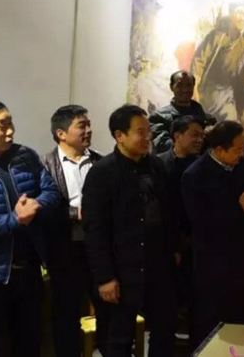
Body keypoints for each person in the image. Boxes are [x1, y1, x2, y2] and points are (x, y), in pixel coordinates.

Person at [82, 105, 177, 357]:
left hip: (157, 268)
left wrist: (173, 251)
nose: (148, 137)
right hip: (121, 272)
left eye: (148, 131)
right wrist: (105, 277)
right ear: (119, 135)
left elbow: (168, 213)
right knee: (117, 340)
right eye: (140, 132)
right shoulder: (101, 173)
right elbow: (95, 230)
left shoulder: (156, 166)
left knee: (164, 334)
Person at [0, 99, 61, 357]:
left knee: (30, 344)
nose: (10, 131)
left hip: (29, 272)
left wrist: (36, 205)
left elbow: (51, 191)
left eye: (11, 123)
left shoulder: (25, 156)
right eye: (1, 125)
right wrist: (14, 219)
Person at [181, 121, 244, 348]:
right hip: (213, 263)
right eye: (238, 149)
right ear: (219, 149)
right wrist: (239, 209)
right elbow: (201, 222)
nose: (242, 153)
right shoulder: (194, 175)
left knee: (243, 320)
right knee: (211, 322)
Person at [41, 105, 106, 357]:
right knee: (65, 314)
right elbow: (43, 208)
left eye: (88, 124)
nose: (88, 130)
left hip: (98, 250)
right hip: (64, 251)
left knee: (106, 310)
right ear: (61, 133)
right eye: (81, 126)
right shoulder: (44, 165)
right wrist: (73, 214)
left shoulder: (100, 162)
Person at [157, 115, 205, 338]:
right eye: (194, 135)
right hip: (166, 244)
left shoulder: (203, 165)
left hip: (196, 243)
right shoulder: (158, 164)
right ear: (177, 136)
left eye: (202, 136)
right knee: (165, 306)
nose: (199, 140)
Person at [192, 2, 244, 121]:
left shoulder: (242, 46)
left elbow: (239, 78)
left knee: (230, 123)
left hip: (227, 96)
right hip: (208, 92)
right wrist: (194, 88)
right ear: (231, 14)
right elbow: (199, 60)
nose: (242, 18)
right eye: (239, 13)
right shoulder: (216, 36)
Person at [149, 70, 209, 153]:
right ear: (171, 87)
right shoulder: (159, 116)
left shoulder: (206, 118)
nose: (185, 89)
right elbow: (162, 145)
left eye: (189, 85)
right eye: (180, 85)